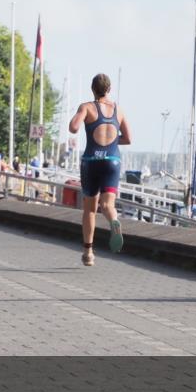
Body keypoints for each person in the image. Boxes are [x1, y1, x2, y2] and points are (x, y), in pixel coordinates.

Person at [68, 73, 132, 267]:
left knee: (90, 209)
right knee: (107, 206)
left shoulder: (87, 107)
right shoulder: (118, 110)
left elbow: (73, 127)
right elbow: (128, 139)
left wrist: (81, 117)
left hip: (91, 161)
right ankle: (114, 220)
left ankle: (88, 253)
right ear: (109, 89)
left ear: (92, 89)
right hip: (112, 161)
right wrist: (112, 140)